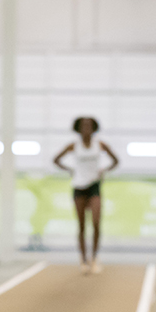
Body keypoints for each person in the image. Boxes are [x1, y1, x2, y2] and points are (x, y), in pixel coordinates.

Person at [53, 117, 119, 275]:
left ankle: (94, 258)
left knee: (96, 222)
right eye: (83, 126)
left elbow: (115, 160)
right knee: (82, 225)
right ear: (78, 128)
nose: (86, 128)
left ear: (94, 128)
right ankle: (83, 260)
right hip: (78, 186)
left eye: (89, 125)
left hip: (94, 185)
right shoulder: (73, 146)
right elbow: (56, 160)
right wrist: (70, 170)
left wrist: (104, 170)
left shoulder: (100, 145)